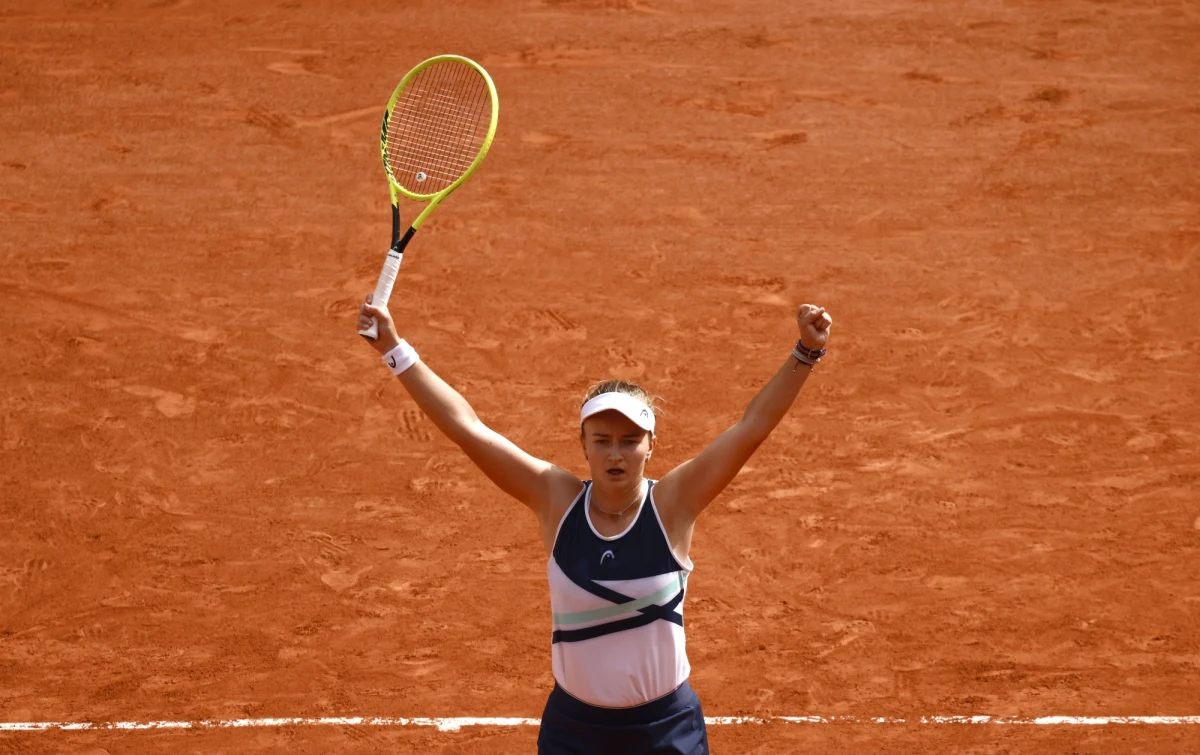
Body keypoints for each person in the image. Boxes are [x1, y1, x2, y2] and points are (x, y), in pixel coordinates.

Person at [357, 294, 832, 755]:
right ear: (582, 444)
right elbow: (469, 429)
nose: (615, 454)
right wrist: (394, 350)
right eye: (602, 440)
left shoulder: (672, 505)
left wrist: (805, 352)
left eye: (629, 440)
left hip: (665, 731)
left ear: (651, 444)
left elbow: (751, 428)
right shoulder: (555, 499)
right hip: (574, 732)